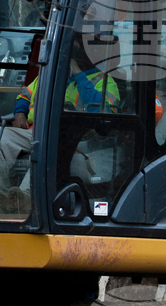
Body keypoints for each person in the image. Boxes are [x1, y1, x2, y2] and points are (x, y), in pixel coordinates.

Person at [0, 34, 120, 208]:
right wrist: (20, 113)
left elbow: (101, 114)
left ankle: (26, 198)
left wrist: (78, 75)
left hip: (78, 139)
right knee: (3, 136)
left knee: (47, 146)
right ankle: (4, 198)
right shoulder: (50, 76)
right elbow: (26, 94)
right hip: (35, 130)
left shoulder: (105, 81)